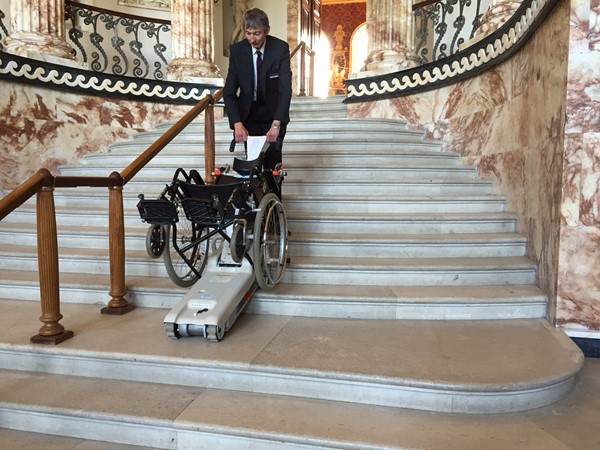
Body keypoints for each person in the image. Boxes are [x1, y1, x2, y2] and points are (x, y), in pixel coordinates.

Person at [223, 8, 292, 172]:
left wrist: (276, 125)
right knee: (253, 165)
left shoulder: (280, 49)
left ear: (267, 30)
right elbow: (229, 91)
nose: (252, 39)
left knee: (272, 166)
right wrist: (237, 123)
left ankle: (274, 197)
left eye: (257, 33)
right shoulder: (237, 51)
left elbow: (285, 90)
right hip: (249, 114)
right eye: (248, 33)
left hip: (273, 114)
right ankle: (254, 198)